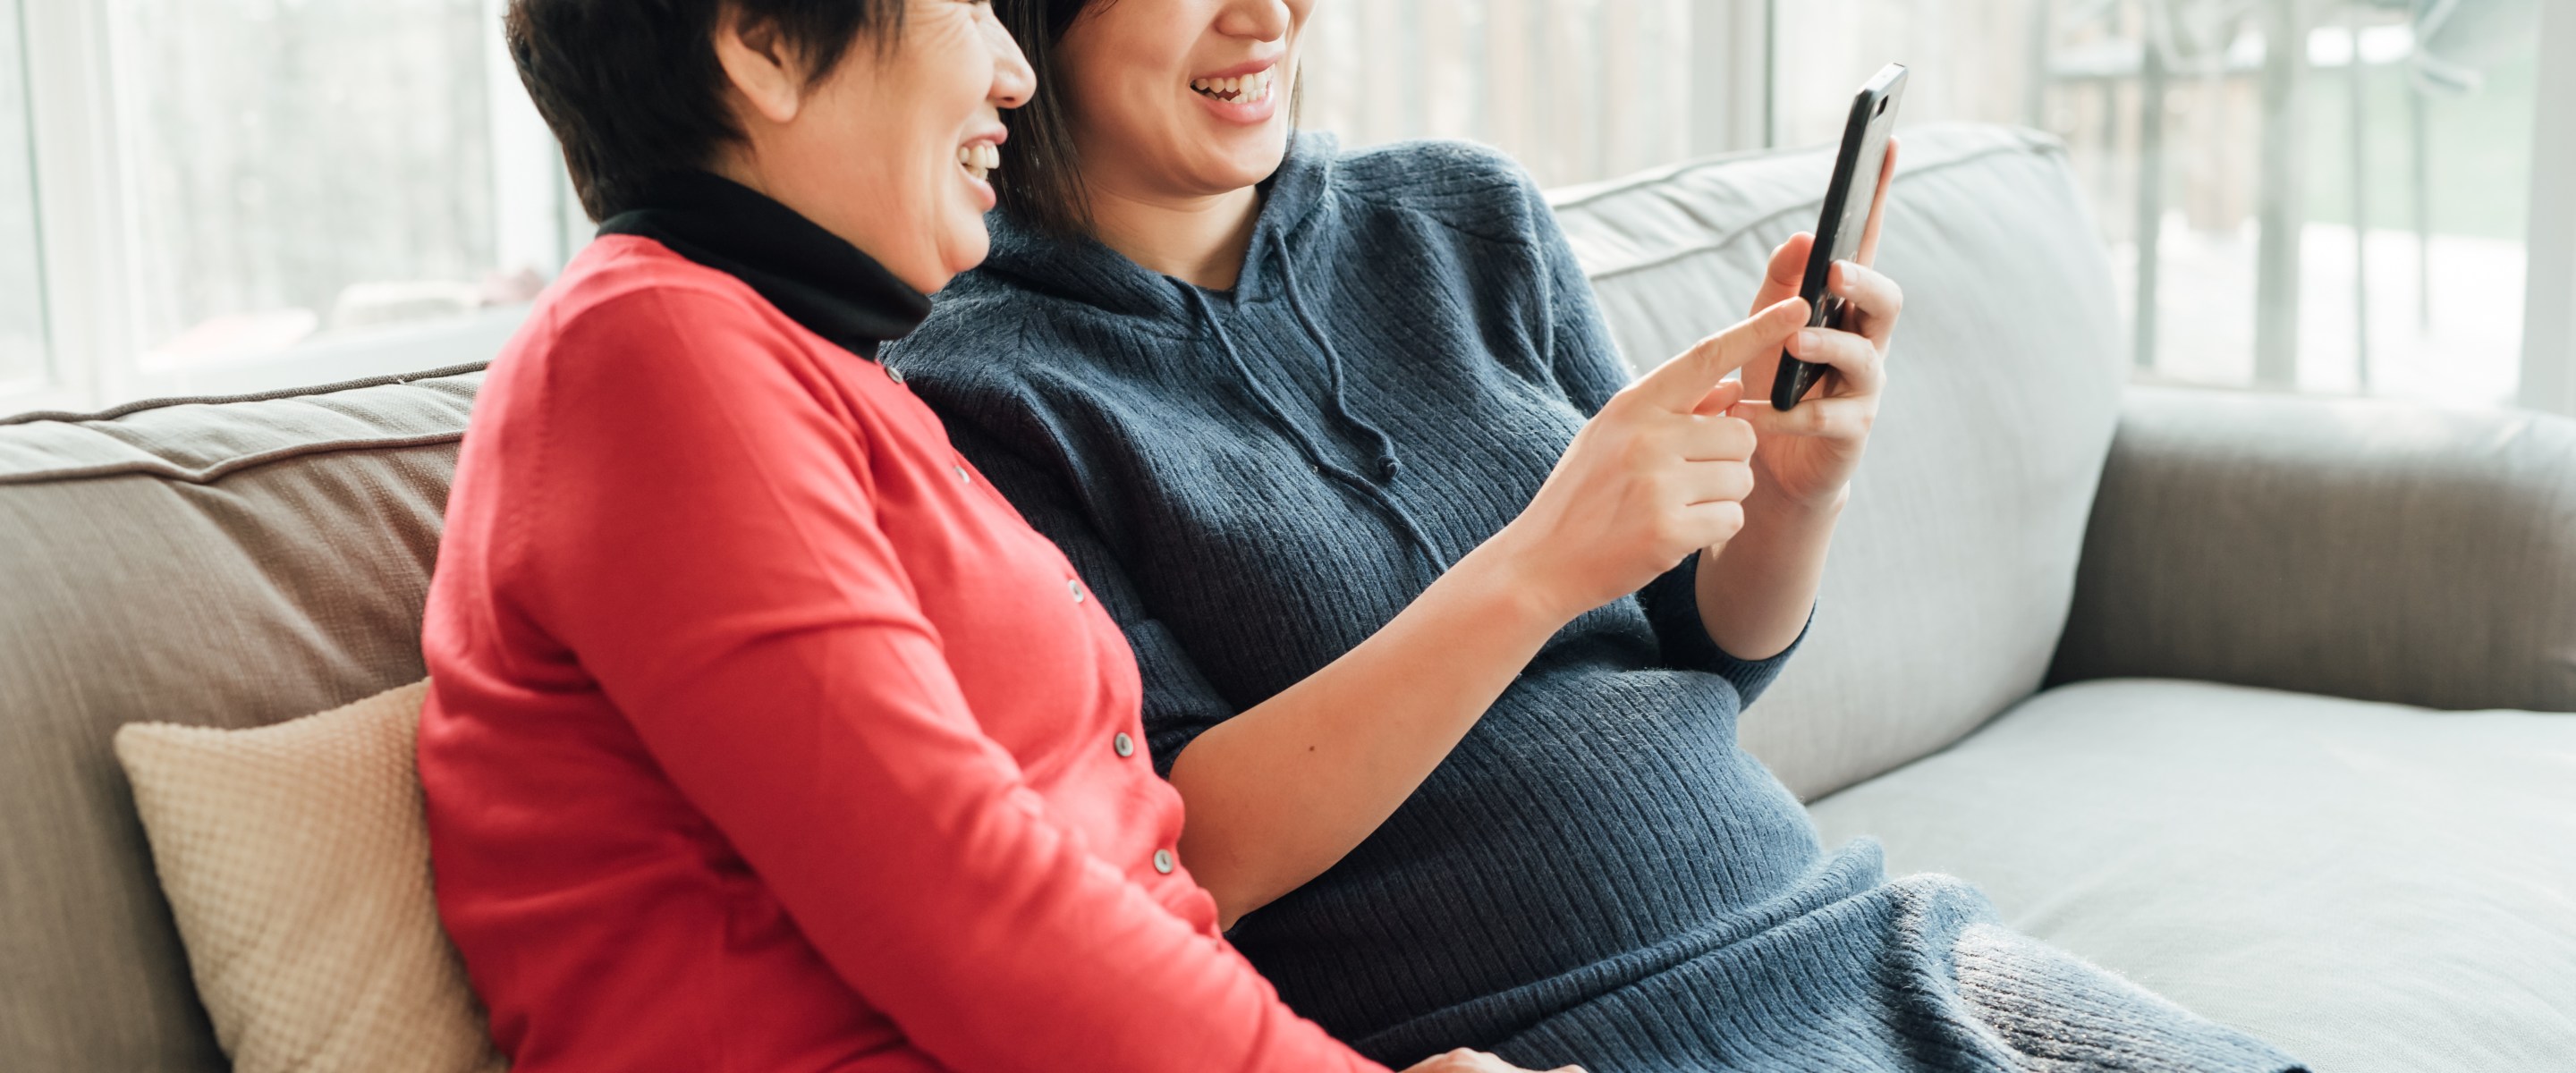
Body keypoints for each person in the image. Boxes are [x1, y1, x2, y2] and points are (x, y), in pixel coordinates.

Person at [883, 1, 2311, 1070]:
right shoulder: (980, 392)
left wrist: (1794, 491)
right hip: (1548, 1034)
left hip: (1865, 933)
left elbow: (1704, 650)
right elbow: (1177, 854)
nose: (1269, 16)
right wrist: (1538, 562)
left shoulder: (1462, 219)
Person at [416, 2, 1568, 1070]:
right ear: (764, 44)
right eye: (965, 3)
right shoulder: (654, 353)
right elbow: (957, 904)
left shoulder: (822, 372)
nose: (1016, 74)